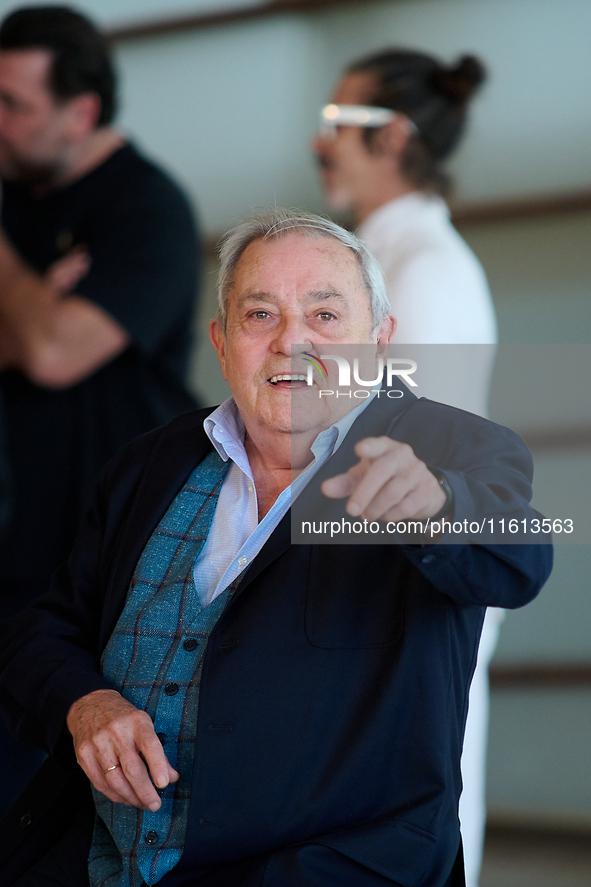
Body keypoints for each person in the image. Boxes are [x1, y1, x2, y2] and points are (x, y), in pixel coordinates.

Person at [0, 208, 551, 887]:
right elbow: (42, 629)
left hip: (332, 869)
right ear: (221, 340)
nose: (292, 342)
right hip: (94, 861)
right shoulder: (151, 462)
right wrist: (85, 702)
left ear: (378, 341)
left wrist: (434, 508)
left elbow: (520, 556)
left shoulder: (446, 447)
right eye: (260, 315)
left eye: (324, 316)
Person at [0, 5, 201, 813]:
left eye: (12, 104)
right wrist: (36, 303)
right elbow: (44, 337)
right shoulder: (19, 198)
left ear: (80, 112)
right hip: (13, 543)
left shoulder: (145, 208)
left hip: (104, 550)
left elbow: (54, 353)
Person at [313, 49, 499, 886]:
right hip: (373, 574)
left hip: (408, 576)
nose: (317, 142)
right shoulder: (383, 259)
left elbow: (405, 449)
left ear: (390, 137)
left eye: (334, 124)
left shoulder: (425, 269)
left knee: (421, 803)